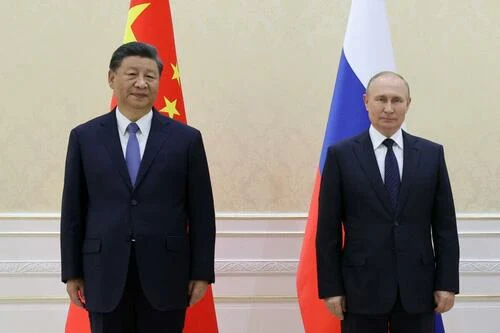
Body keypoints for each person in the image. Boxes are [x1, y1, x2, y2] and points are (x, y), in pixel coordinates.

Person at [60, 41, 216, 333]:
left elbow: (202, 213)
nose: (141, 84)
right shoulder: (85, 137)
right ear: (111, 78)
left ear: (159, 81)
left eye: (150, 76)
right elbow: (73, 211)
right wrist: (71, 272)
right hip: (103, 273)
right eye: (132, 74)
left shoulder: (186, 140)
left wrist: (202, 272)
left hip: (167, 274)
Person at [316, 71, 459, 333]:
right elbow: (327, 230)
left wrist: (447, 282)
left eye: (397, 100)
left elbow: (445, 227)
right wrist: (331, 288)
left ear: (408, 104)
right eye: (381, 99)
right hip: (360, 289)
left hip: (418, 289)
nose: (389, 108)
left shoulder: (431, 154)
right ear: (366, 101)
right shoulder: (341, 156)